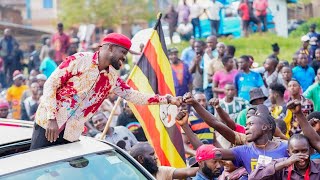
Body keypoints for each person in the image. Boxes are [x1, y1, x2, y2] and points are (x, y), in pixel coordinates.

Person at [30, 33, 182, 150]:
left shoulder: (112, 77)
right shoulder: (80, 60)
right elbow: (50, 84)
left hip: (71, 132)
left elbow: (132, 95)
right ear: (110, 48)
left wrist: (166, 99)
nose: (124, 57)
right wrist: (51, 119)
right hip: (47, 123)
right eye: (123, 52)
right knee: (36, 169)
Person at [180, 92, 288, 174]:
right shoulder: (244, 149)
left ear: (265, 126)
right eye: (246, 124)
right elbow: (208, 150)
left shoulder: (285, 146)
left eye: (251, 124)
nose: (246, 127)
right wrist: (194, 106)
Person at [249, 134, 320, 179]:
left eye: (304, 151)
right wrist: (285, 163)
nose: (300, 155)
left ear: (310, 151)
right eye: (296, 152)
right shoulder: (282, 166)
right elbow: (253, 178)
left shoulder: (318, 167)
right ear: (289, 153)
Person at [129, 142, 198, 180]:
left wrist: (206, 163)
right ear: (141, 159)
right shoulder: (129, 177)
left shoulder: (160, 171)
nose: (156, 157)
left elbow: (187, 172)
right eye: (151, 154)